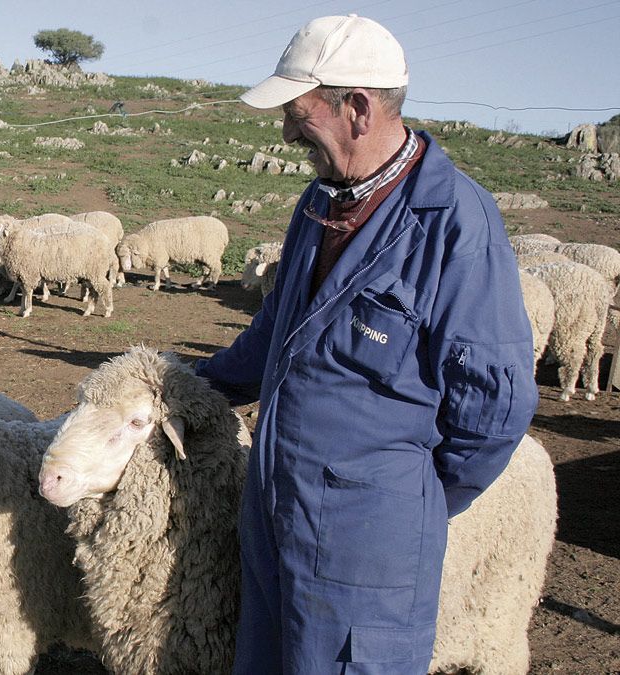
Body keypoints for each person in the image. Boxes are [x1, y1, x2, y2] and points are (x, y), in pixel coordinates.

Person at [193, 14, 537, 674]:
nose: (288, 131)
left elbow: (493, 411)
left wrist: (402, 497)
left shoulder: (455, 225)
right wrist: (183, 383)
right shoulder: (319, 205)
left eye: (297, 113)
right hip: (274, 526)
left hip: (367, 558)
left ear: (357, 108)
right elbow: (274, 338)